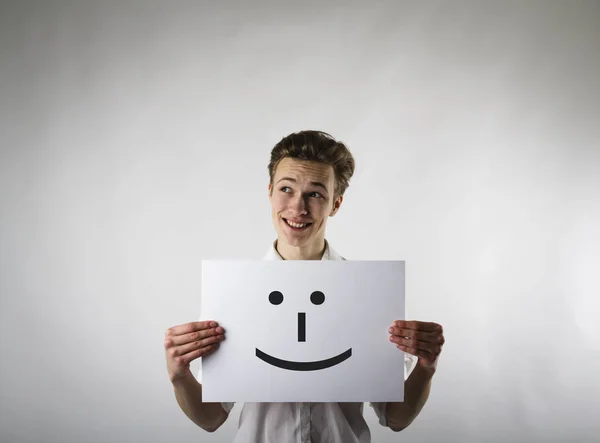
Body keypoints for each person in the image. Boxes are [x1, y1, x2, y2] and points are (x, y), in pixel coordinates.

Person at [164, 130, 445, 442]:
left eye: (315, 194)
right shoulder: (233, 293)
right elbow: (212, 417)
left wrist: (425, 367)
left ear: (335, 204)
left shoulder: (370, 294)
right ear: (270, 192)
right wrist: (179, 376)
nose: (297, 208)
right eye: (286, 189)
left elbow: (395, 417)